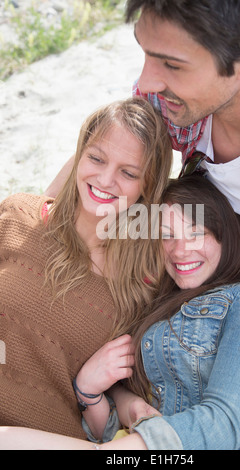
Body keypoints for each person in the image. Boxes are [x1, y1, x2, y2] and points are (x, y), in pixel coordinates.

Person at [0, 174, 240, 450]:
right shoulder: (153, 310)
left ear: (224, 233)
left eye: (196, 233)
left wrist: (120, 452)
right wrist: (90, 393)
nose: (180, 251)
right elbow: (112, 429)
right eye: (167, 236)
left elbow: (224, 423)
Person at [124, 0, 240, 450]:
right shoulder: (170, 102)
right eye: (145, 53)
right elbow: (100, 164)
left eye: (172, 64)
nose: (146, 81)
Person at [0, 97, 172, 439]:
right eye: (96, 158)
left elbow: (113, 396)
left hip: (53, 437)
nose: (105, 179)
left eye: (128, 173)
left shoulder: (139, 288)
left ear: (146, 187)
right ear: (79, 157)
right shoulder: (18, 215)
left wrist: (95, 389)